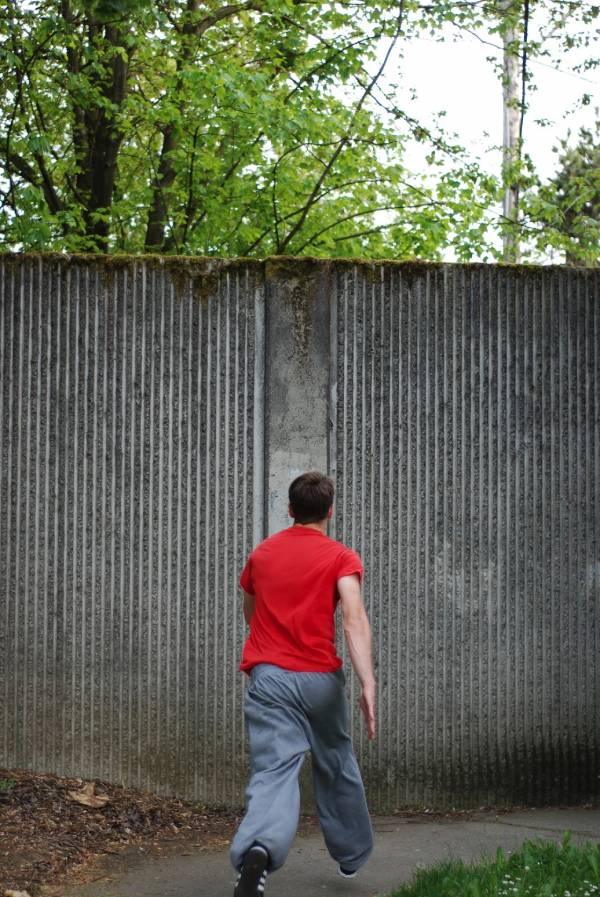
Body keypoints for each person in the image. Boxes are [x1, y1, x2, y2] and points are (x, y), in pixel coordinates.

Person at [230, 471, 376, 897]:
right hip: (320, 681)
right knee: (336, 762)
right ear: (329, 511)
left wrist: (270, 652)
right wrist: (367, 682)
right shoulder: (341, 557)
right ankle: (350, 856)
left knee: (274, 770)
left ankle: (258, 851)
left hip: (270, 678)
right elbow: (353, 617)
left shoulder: (262, 555)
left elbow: (251, 611)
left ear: (290, 510)